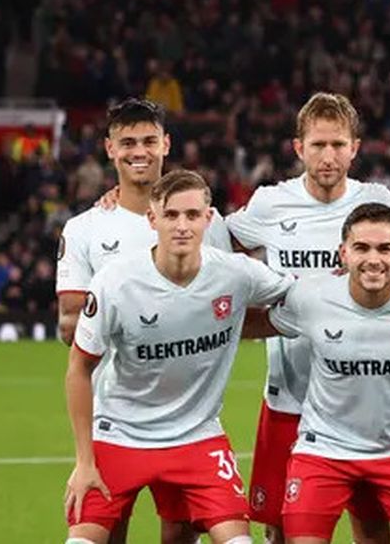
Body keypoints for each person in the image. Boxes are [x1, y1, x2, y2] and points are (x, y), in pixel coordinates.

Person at [63, 170, 294, 544]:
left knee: (239, 541)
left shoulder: (237, 274)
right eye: (171, 215)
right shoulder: (115, 282)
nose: (182, 226)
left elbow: (304, 297)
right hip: (121, 434)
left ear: (209, 218)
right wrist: (83, 462)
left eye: (191, 215)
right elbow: (78, 368)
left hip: (197, 435)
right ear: (152, 220)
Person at [226, 92, 390, 544]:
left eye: (338, 145)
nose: (328, 156)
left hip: (362, 398)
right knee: (283, 527)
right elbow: (214, 241)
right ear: (298, 148)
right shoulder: (270, 203)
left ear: (355, 148)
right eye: (319, 145)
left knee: (370, 525)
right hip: (291, 394)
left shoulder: (376, 201)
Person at [56, 98, 231, 544]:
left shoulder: (206, 223)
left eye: (149, 140)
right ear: (110, 149)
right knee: (110, 530)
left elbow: (228, 299)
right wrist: (145, 320)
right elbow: (68, 324)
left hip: (190, 419)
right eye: (128, 142)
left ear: (166, 144)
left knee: (180, 532)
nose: (140, 151)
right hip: (117, 415)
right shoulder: (86, 228)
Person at [252, 203, 390, 544]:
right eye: (361, 248)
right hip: (325, 449)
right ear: (343, 253)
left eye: (385, 249)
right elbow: (257, 321)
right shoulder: (311, 296)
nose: (373, 259)